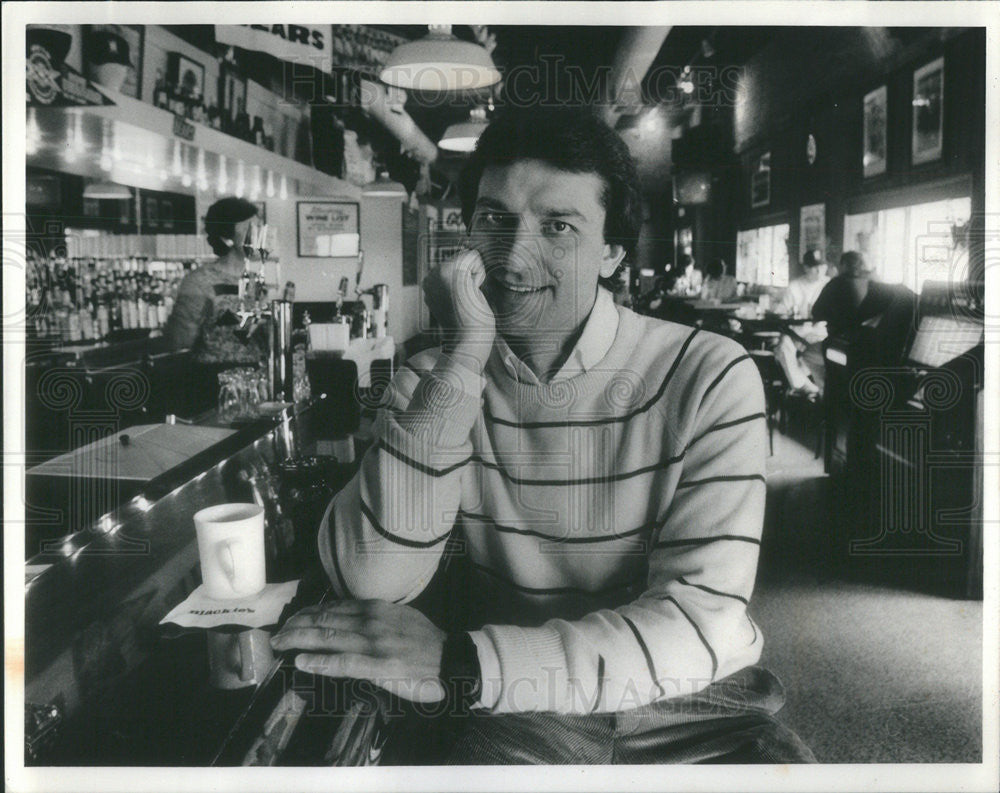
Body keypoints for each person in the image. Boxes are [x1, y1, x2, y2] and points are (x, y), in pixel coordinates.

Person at [272, 108, 814, 764]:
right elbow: (371, 577)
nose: (514, 253)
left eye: (557, 225)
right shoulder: (434, 380)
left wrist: (467, 666)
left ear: (612, 251)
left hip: (688, 701)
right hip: (520, 709)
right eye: (494, 219)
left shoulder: (707, 374)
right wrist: (465, 358)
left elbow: (698, 622)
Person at [162, 196, 264, 368]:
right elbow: (179, 341)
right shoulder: (200, 281)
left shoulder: (257, 279)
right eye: (251, 230)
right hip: (212, 378)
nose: (260, 236)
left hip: (253, 377)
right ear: (226, 237)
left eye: (261, 228)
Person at [773, 250, 830, 395]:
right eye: (814, 267)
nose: (819, 271)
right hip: (798, 332)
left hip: (821, 332)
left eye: (822, 267)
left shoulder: (829, 284)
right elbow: (781, 311)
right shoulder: (795, 286)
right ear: (805, 268)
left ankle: (821, 389)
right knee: (782, 345)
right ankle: (803, 386)